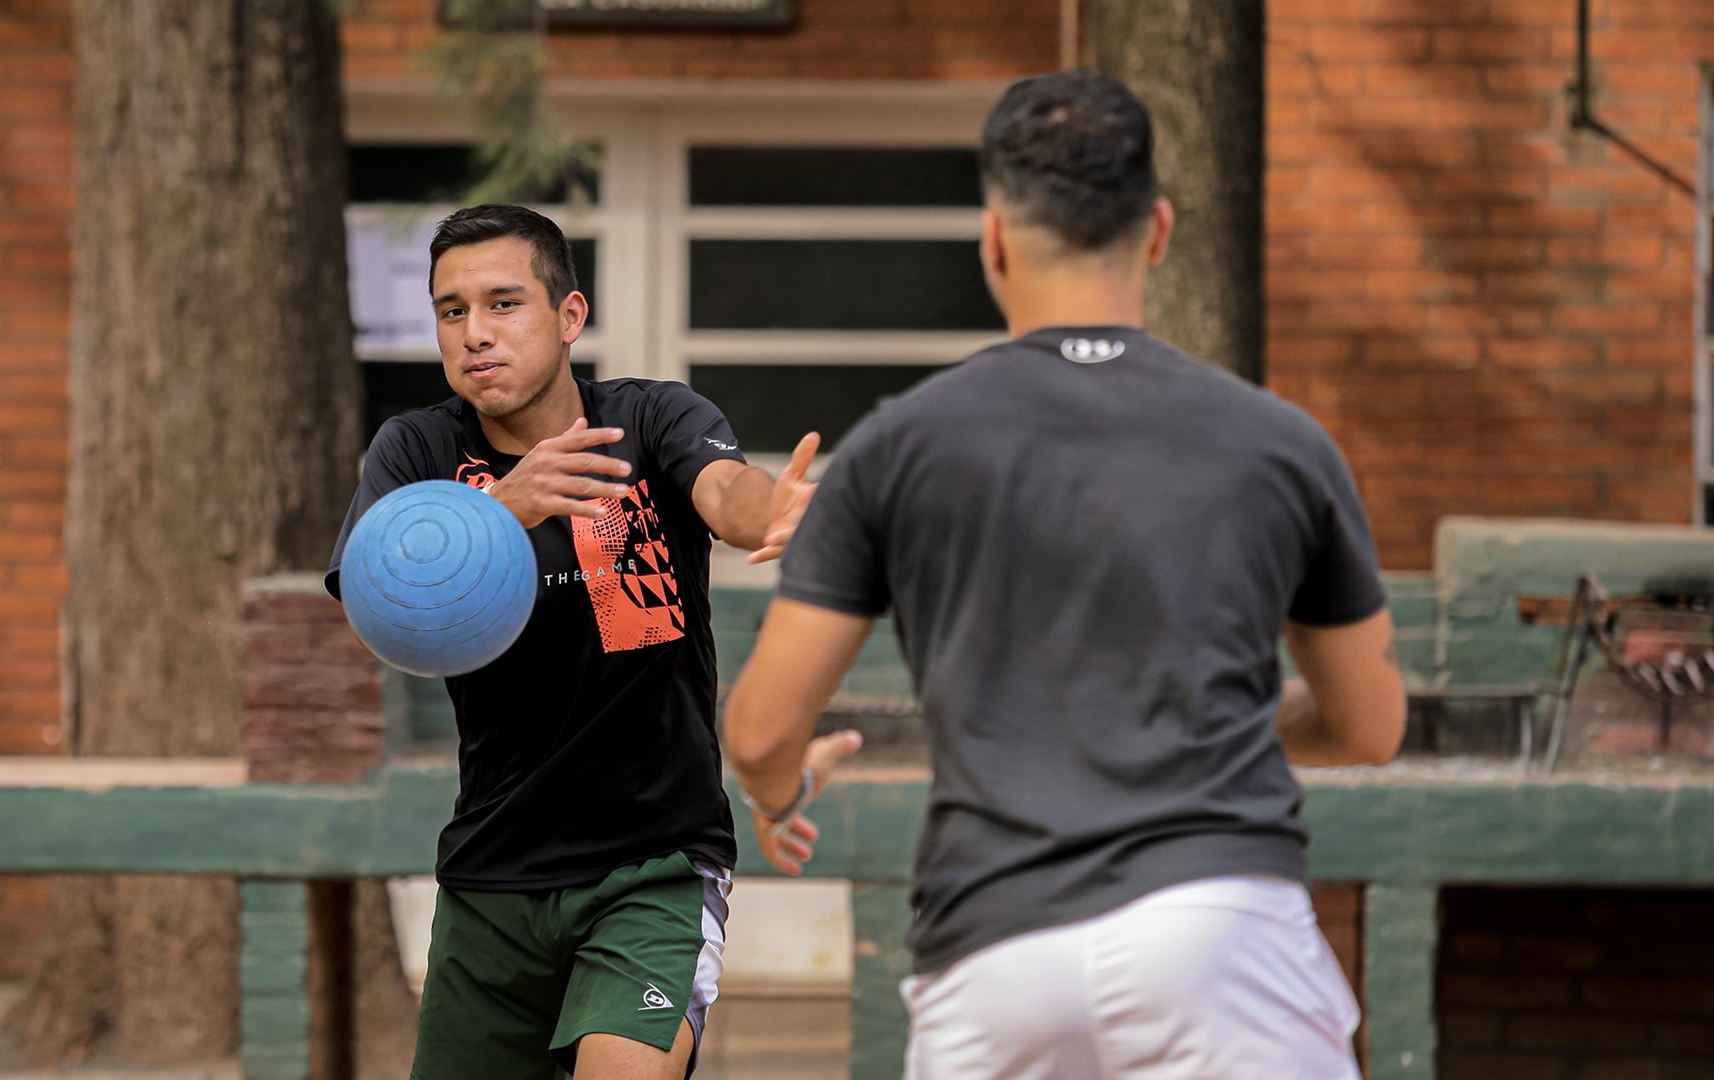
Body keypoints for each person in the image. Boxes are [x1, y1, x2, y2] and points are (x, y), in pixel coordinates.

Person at [721, 68, 1408, 1080]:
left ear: (994, 239)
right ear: (1160, 230)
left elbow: (760, 732)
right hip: (1223, 935)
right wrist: (1205, 721)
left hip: (995, 951)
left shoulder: (896, 448)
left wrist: (783, 794)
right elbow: (1369, 725)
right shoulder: (1281, 446)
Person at [325, 203, 819, 1080]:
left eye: (504, 304)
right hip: (490, 876)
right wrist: (501, 509)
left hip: (654, 868)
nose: (475, 333)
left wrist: (767, 512)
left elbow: (724, 491)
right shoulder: (418, 449)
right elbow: (371, 588)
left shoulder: (651, 419)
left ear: (569, 316)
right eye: (452, 311)